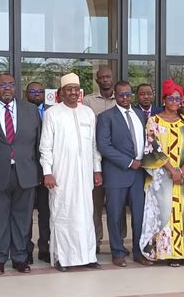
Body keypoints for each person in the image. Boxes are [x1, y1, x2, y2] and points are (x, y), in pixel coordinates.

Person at [0, 74, 41, 275]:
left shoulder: (30, 110)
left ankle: (20, 257)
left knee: (22, 219)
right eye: (3, 85)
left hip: (26, 172)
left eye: (11, 84)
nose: (7, 88)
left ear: (16, 87)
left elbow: (38, 144)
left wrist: (39, 171)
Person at [40, 73, 102, 272]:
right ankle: (62, 257)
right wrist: (47, 172)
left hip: (85, 174)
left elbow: (94, 146)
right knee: (62, 213)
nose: (73, 92)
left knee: (86, 214)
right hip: (61, 173)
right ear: (61, 92)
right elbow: (45, 147)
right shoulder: (52, 114)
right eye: (69, 89)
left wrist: (97, 169)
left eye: (76, 89)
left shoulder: (88, 113)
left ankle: (88, 256)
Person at [140, 79, 184, 267]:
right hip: (162, 177)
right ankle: (167, 253)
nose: (175, 102)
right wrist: (171, 171)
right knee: (164, 213)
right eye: (172, 98)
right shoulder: (154, 121)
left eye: (178, 99)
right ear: (164, 99)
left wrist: (181, 171)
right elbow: (153, 148)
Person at [97, 81, 152, 268]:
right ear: (115, 95)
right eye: (121, 95)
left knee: (139, 215)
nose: (126, 98)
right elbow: (104, 146)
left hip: (139, 174)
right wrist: (129, 162)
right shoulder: (106, 117)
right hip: (117, 173)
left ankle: (139, 251)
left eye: (128, 94)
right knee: (115, 215)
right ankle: (118, 252)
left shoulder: (139, 114)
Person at [83, 67, 117, 254]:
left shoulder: (120, 100)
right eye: (102, 77)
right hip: (93, 160)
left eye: (108, 76)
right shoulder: (88, 101)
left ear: (112, 78)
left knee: (116, 204)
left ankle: (117, 241)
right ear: (97, 80)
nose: (105, 80)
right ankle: (95, 240)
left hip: (115, 162)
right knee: (95, 205)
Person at [25, 81, 50, 264]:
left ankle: (45, 247)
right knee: (25, 213)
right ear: (26, 93)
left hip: (47, 171)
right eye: (33, 91)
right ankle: (25, 249)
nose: (37, 94)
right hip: (26, 169)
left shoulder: (53, 112)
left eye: (40, 91)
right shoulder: (22, 111)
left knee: (46, 212)